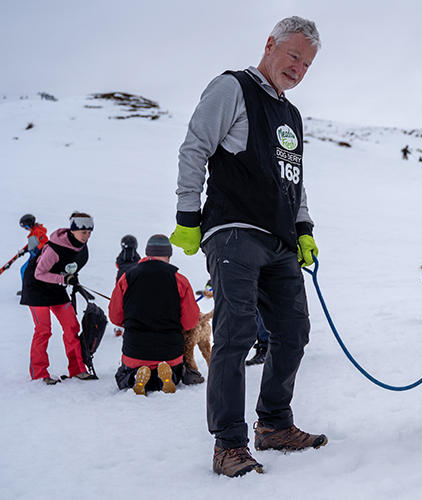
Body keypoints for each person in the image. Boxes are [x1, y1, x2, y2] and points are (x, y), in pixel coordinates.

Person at [170, 16, 327, 478]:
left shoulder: (291, 115)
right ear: (270, 45)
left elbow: (293, 179)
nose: (298, 68)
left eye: (307, 63)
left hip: (279, 239)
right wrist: (187, 215)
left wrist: (303, 228)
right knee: (236, 333)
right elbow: (195, 146)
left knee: (293, 331)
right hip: (232, 230)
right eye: (293, 55)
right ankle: (228, 443)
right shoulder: (232, 88)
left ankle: (274, 424)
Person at [109, 234, 200, 395]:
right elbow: (190, 321)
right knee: (176, 369)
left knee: (123, 376)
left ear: (147, 253)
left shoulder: (127, 277)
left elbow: (115, 316)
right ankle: (166, 375)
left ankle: (135, 377)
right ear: (169, 255)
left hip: (134, 350)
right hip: (170, 351)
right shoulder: (179, 280)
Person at [19, 212, 98, 384]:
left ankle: (77, 369)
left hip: (56, 289)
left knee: (71, 326)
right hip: (36, 288)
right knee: (43, 330)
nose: (87, 236)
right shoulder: (55, 248)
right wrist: (63, 279)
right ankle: (39, 373)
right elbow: (40, 273)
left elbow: (71, 268)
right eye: (83, 232)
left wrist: (70, 279)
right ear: (73, 230)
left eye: (90, 232)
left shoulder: (82, 248)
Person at [112, 234, 141, 336]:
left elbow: (118, 265)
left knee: (120, 305)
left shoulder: (120, 258)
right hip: (135, 285)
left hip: (121, 283)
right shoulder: (137, 258)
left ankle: (119, 326)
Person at [18, 214, 48, 285]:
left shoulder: (38, 231)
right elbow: (32, 243)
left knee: (24, 270)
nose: (26, 229)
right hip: (34, 256)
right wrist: (24, 250)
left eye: (26, 227)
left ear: (30, 225)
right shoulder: (34, 231)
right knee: (24, 270)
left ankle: (27, 289)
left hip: (38, 257)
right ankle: (28, 288)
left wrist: (37, 249)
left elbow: (44, 242)